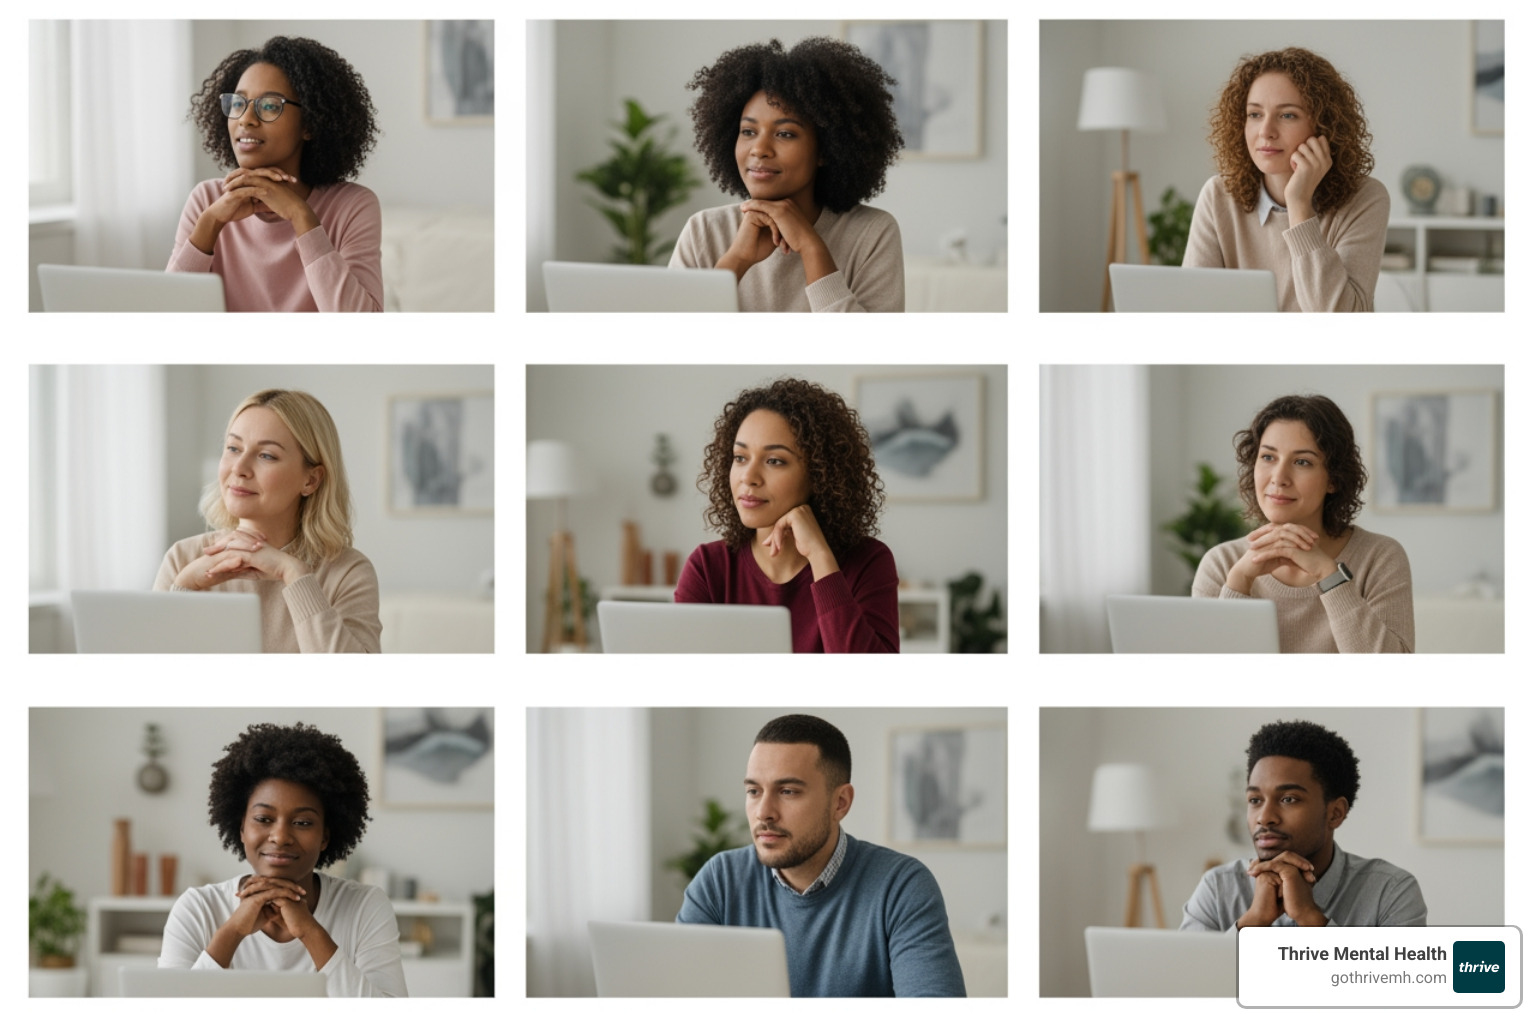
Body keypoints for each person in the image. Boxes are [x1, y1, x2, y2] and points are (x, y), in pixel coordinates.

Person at [677, 715, 966, 996]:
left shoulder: (901, 886)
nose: (763, 812)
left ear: (840, 803)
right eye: (754, 791)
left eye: (788, 791)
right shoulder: (720, 880)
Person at [159, 722, 407, 995]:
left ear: (325, 836)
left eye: (302, 822)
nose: (280, 836)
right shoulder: (198, 909)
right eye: (264, 819)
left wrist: (310, 931)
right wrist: (232, 932)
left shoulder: (364, 908)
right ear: (241, 827)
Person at [670, 37, 906, 312]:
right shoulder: (705, 230)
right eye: (748, 131)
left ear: (826, 149)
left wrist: (812, 248)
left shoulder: (872, 232)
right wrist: (736, 260)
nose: (759, 149)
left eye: (785, 134)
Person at [674, 378, 899, 652]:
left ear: (819, 474)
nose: (749, 477)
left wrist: (820, 557)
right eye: (740, 457)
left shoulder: (867, 562)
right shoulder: (708, 568)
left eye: (774, 461)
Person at [153, 389, 382, 652]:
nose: (239, 467)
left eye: (267, 456)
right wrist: (184, 588)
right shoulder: (183, 559)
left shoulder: (348, 572)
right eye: (233, 448)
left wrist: (294, 575)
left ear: (311, 480)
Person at [169, 36, 383, 311]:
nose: (246, 118)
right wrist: (210, 223)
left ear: (309, 124)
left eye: (269, 105)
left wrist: (302, 217)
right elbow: (169, 318)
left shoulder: (351, 206)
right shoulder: (206, 200)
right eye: (238, 104)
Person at [1193, 394, 1413, 652]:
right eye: (1268, 457)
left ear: (1334, 479)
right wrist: (1239, 582)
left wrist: (1329, 576)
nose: (1279, 477)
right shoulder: (1221, 563)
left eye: (1302, 462)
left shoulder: (1380, 557)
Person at [1183, 48, 1388, 312]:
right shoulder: (1218, 196)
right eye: (1255, 114)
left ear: (1324, 126)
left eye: (1287, 115)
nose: (1265, 132)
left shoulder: (1365, 198)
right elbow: (1191, 310)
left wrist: (1299, 204)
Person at [1181, 720, 1427, 930]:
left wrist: (1310, 917)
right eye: (1255, 800)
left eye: (1288, 799)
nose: (1264, 817)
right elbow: (1185, 983)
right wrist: (1252, 923)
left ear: (1335, 813)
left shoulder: (1390, 891)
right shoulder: (1217, 888)